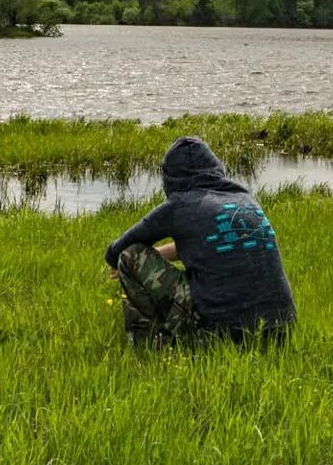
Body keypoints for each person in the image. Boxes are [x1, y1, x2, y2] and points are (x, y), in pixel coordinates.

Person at [104, 135, 296, 346]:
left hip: (225, 333)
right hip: (281, 329)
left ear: (171, 179)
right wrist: (157, 255)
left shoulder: (179, 205)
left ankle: (151, 345)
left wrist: (133, 262)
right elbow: (210, 243)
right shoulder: (244, 197)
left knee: (129, 257)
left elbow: (116, 251)